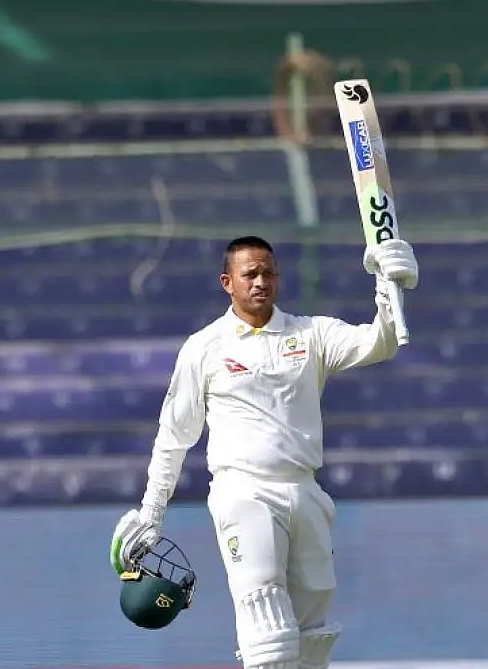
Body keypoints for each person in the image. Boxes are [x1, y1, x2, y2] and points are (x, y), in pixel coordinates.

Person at [110, 235, 419, 669]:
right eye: (249, 274)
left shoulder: (311, 333)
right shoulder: (205, 347)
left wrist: (390, 286)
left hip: (305, 491)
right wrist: (151, 512)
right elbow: (174, 437)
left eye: (268, 272)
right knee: (266, 625)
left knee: (312, 632)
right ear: (227, 282)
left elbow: (380, 343)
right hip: (243, 492)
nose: (260, 282)